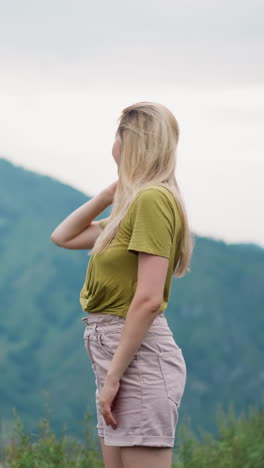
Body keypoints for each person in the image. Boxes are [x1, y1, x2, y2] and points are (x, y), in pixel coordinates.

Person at [51, 101, 194, 468]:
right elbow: (63, 237)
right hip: (116, 353)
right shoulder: (134, 205)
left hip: (135, 358)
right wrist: (107, 195)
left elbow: (147, 299)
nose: (112, 144)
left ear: (129, 142)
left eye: (117, 135)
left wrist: (114, 377)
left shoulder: (151, 200)